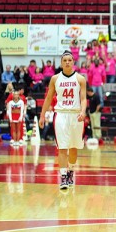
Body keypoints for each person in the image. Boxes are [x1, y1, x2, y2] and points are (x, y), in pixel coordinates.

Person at [39, 51, 87, 190]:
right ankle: (64, 176)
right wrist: (42, 116)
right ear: (61, 63)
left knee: (73, 147)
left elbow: (83, 99)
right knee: (62, 147)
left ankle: (71, 170)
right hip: (60, 114)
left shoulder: (80, 79)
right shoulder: (55, 78)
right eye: (64, 60)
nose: (67, 62)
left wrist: (83, 111)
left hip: (76, 115)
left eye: (69, 60)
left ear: (73, 62)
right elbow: (48, 98)